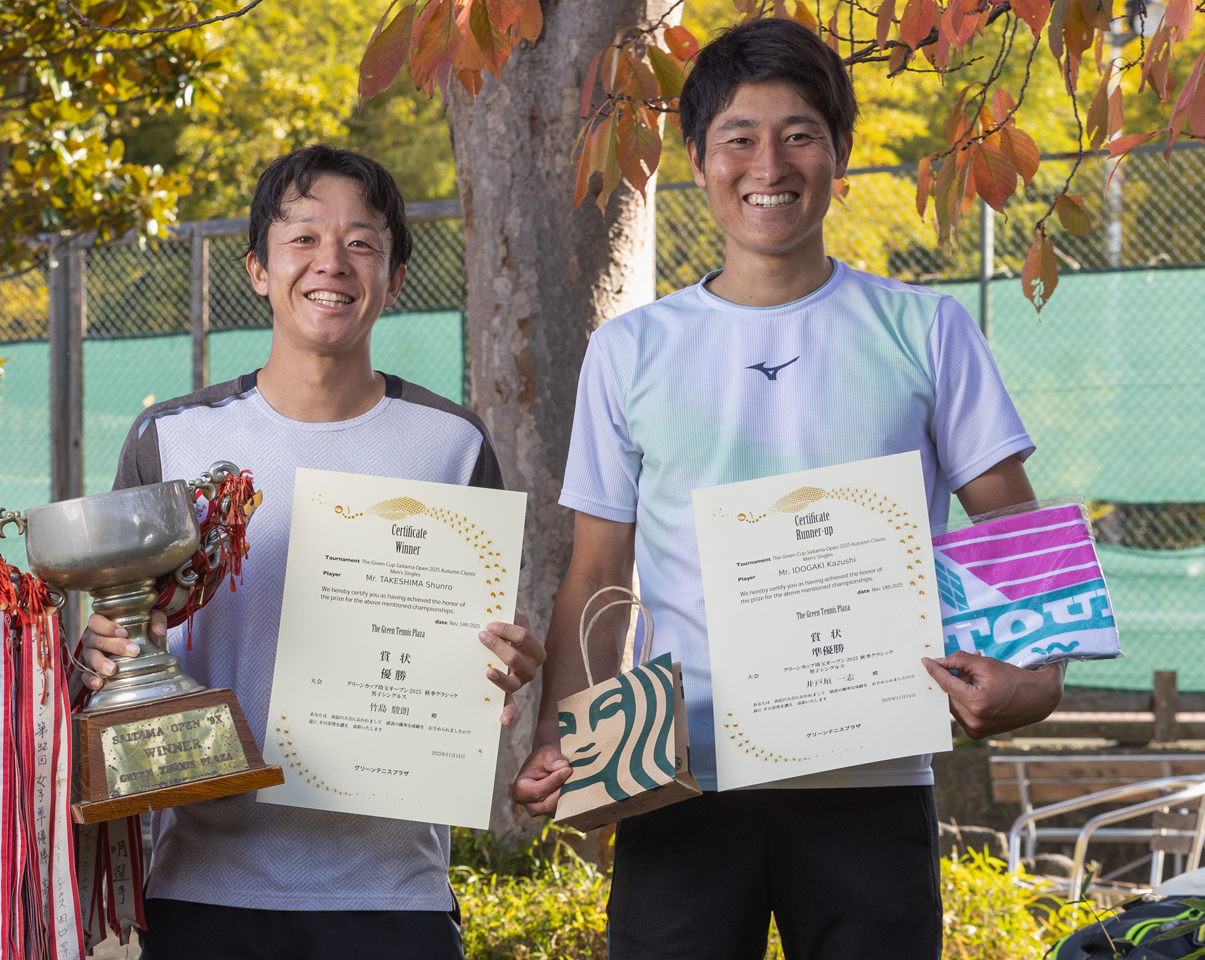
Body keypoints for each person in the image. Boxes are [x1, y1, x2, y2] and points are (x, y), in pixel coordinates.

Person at [510, 17, 1063, 960]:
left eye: (800, 133)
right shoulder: (630, 351)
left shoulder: (924, 328)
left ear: (839, 154)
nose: (769, 162)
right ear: (695, 158)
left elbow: (1013, 524)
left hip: (873, 777)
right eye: (739, 136)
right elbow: (599, 569)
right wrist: (573, 743)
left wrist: (1037, 681)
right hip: (681, 779)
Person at [80, 145, 544, 960]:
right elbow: (121, 638)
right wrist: (101, 657)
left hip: (393, 890)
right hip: (201, 882)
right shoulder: (172, 439)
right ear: (258, 268)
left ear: (396, 279)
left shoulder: (453, 444)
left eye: (362, 242)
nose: (332, 262)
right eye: (303, 239)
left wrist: (505, 660)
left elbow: (481, 642)